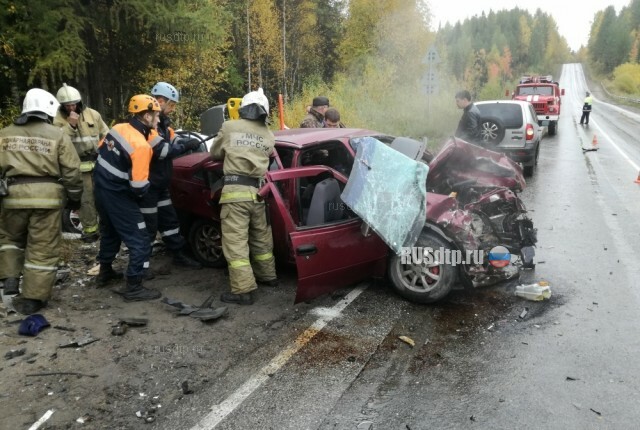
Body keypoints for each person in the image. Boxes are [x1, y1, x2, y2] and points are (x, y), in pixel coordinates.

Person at [0, 89, 83, 314]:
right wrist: (74, 199)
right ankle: (32, 299)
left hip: (12, 197)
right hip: (48, 200)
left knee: (9, 238)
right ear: (49, 108)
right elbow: (72, 171)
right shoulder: (57, 135)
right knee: (42, 247)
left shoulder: (4, 133)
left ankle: (9, 279)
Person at [210, 87, 278, 305]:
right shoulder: (269, 134)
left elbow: (215, 153)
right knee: (261, 238)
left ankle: (243, 290)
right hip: (259, 193)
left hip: (235, 195)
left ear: (243, 108)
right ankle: (269, 277)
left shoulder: (229, 127)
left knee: (236, 243)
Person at [93, 95, 161, 301]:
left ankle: (104, 272)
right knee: (140, 239)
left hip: (100, 189)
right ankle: (134, 286)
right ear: (147, 116)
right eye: (156, 116)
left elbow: (100, 150)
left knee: (111, 231)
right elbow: (139, 187)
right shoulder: (141, 146)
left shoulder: (118, 128)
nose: (158, 121)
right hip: (118, 195)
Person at [145, 82, 202, 269]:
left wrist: (187, 141)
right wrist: (185, 146)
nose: (172, 109)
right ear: (160, 101)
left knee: (170, 221)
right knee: (148, 227)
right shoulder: (147, 124)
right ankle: (140, 269)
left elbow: (172, 138)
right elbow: (162, 151)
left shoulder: (162, 124)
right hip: (147, 186)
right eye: (171, 104)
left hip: (160, 185)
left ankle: (177, 254)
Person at [54, 83, 109, 242]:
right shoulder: (57, 120)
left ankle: (107, 229)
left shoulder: (93, 114)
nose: (72, 107)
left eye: (74, 104)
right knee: (86, 202)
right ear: (62, 105)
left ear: (79, 102)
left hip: (98, 164)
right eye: (67, 105)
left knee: (104, 198)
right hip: (77, 167)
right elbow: (58, 141)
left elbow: (106, 134)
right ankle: (91, 233)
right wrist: (70, 125)